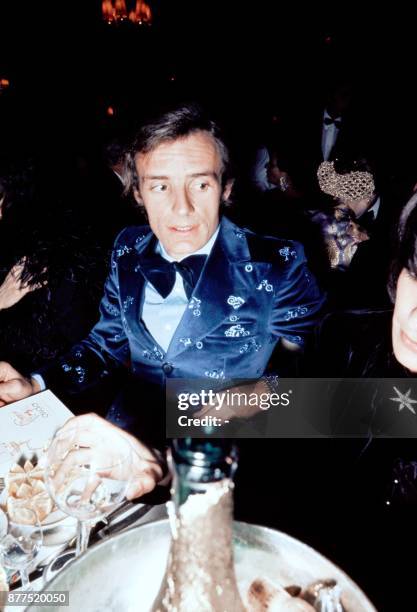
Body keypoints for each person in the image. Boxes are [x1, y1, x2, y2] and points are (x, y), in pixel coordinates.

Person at [0, 103, 325, 488]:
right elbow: (104, 347)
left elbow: (306, 372)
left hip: (226, 464)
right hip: (123, 446)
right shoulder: (127, 248)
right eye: (160, 186)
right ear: (137, 192)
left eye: (200, 184)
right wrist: (36, 384)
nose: (182, 208)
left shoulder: (278, 262)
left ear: (227, 188)